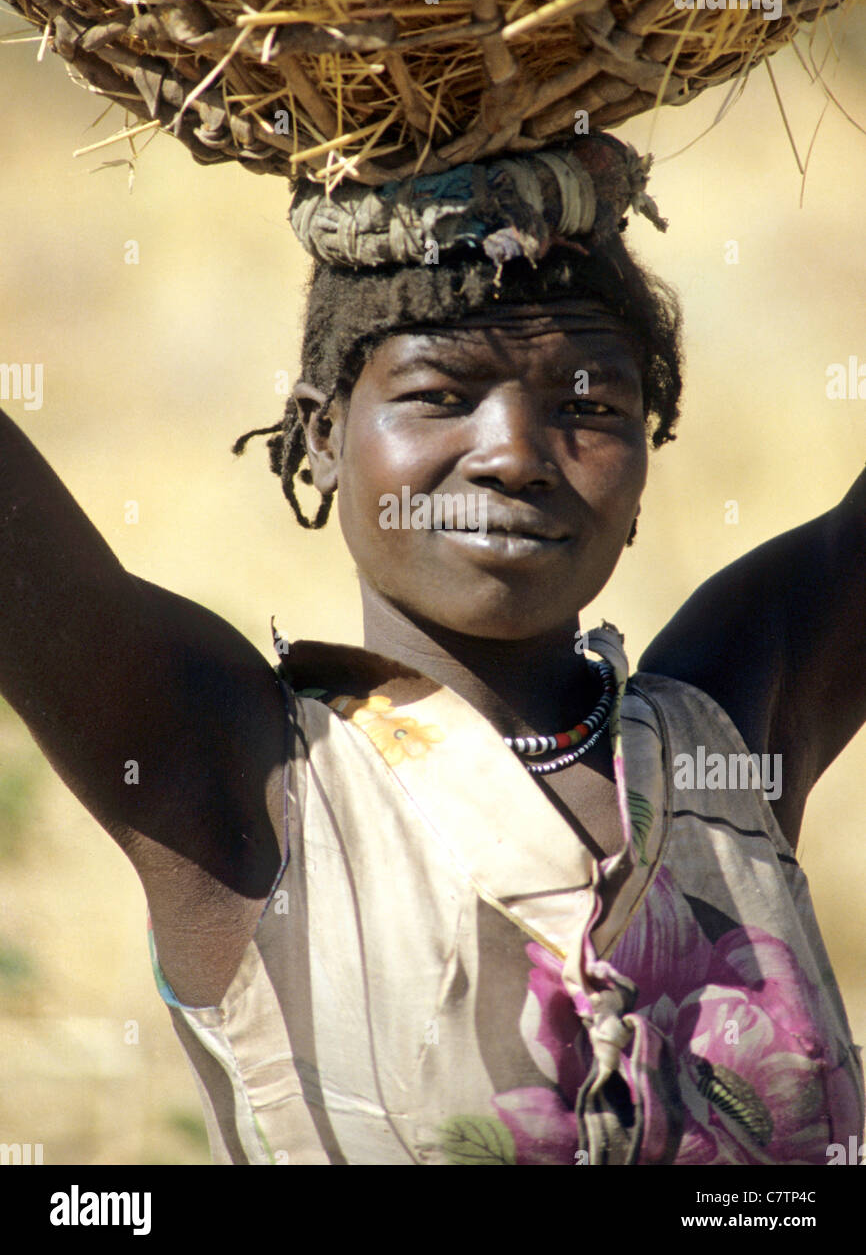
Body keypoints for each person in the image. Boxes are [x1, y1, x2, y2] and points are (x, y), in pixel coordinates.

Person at [1, 135, 863, 1165]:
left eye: (587, 407)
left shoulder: (730, 730)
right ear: (320, 437)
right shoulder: (236, 778)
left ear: (645, 455)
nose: (510, 454)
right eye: (441, 396)